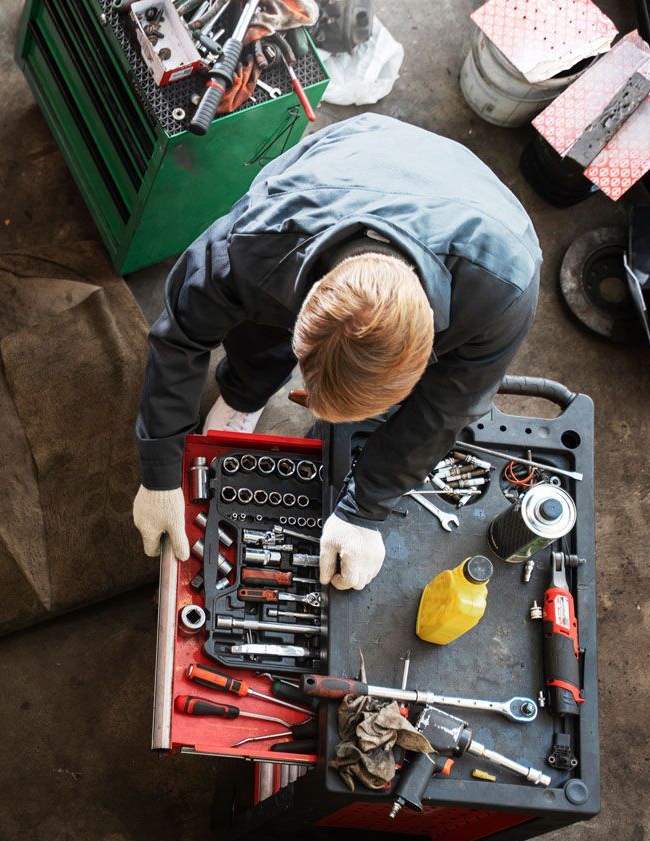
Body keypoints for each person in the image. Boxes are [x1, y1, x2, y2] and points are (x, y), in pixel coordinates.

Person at [131, 114, 541, 590]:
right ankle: (246, 392)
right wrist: (160, 468)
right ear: (304, 310)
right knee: (256, 328)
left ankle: (253, 389)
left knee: (449, 407)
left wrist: (366, 508)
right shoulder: (255, 240)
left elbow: (443, 410)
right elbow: (181, 334)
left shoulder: (503, 294)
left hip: (478, 212)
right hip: (357, 154)